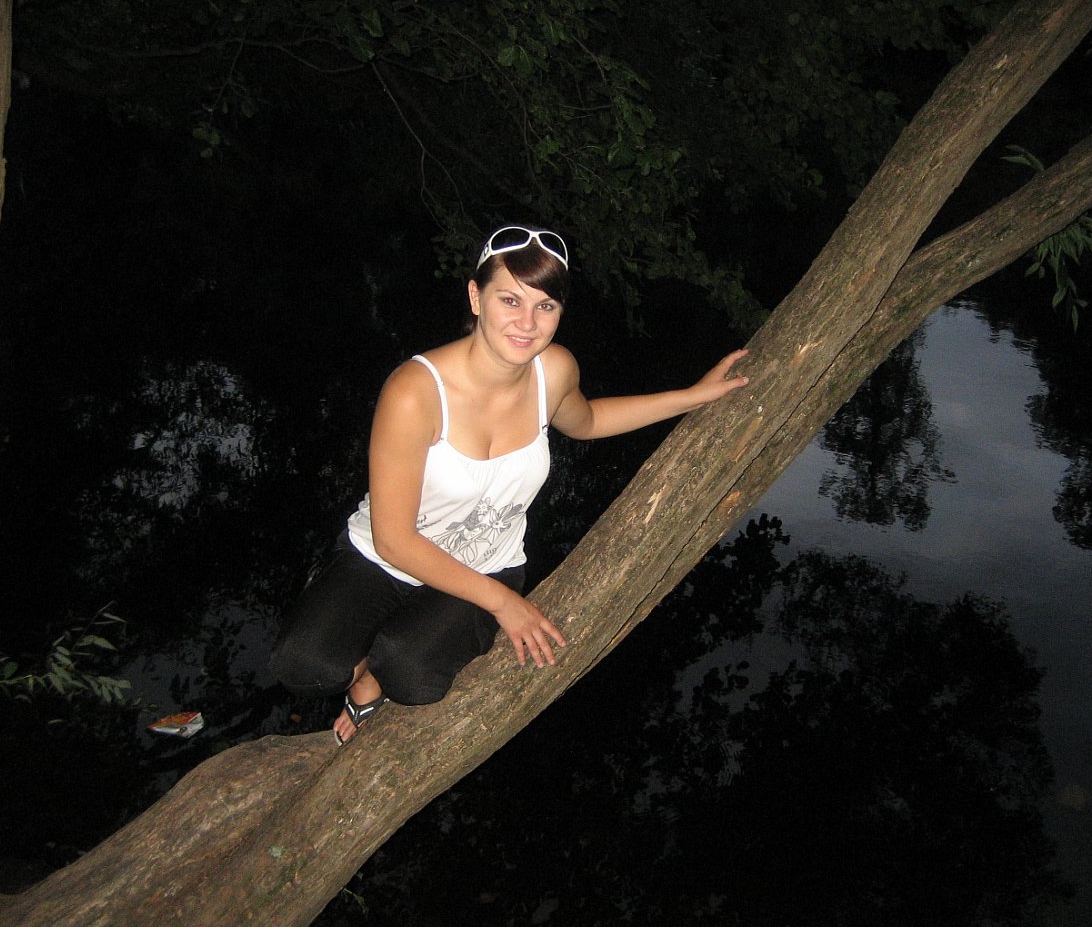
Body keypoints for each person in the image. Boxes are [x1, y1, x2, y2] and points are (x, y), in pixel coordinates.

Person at [269, 225, 749, 745]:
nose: (527, 323)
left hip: (485, 561)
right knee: (305, 667)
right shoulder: (415, 391)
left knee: (411, 676)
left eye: (546, 306)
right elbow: (394, 540)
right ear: (476, 298)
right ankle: (362, 669)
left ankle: (377, 676)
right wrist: (504, 604)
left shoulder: (554, 370)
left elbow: (588, 421)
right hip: (385, 557)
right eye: (510, 300)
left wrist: (692, 396)